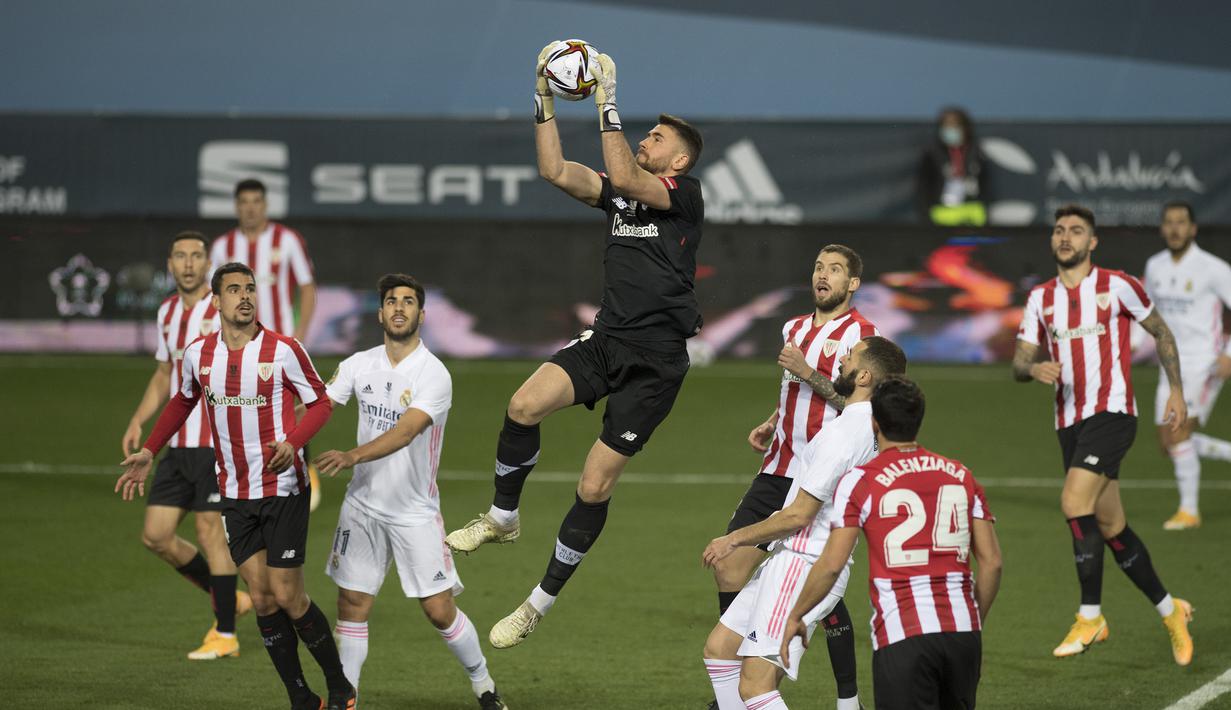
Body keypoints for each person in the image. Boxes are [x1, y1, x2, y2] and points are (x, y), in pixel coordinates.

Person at [444, 43, 705, 649]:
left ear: (681, 157)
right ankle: (503, 518)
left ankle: (537, 603)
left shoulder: (685, 195)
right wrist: (542, 99)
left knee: (593, 487)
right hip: (609, 337)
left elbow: (630, 177)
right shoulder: (623, 195)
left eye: (657, 136)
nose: (646, 138)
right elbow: (555, 170)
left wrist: (608, 101)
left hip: (657, 361)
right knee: (523, 405)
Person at [116, 263, 354, 710]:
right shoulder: (198, 354)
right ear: (216, 299)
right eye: (234, 290)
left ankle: (340, 684)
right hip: (235, 493)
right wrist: (150, 449)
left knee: (288, 595)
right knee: (263, 600)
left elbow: (320, 402)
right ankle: (301, 697)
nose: (244, 296)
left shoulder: (284, 350)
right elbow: (183, 399)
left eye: (249, 289)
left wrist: (294, 443)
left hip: (283, 489)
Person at [312, 274, 507, 710]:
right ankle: (348, 698)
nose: (399, 307)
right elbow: (322, 406)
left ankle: (483, 684)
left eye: (408, 301)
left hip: (414, 512)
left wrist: (351, 456)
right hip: (362, 507)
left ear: (422, 313)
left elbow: (404, 432)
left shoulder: (433, 374)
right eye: (391, 301)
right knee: (353, 602)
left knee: (439, 610)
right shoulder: (358, 364)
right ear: (380, 313)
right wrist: (288, 436)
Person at [1011, 204, 1194, 665]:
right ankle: (1172, 611)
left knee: (1074, 503)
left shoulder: (1118, 285)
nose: (1065, 237)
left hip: (1113, 413)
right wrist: (1034, 367)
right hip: (1068, 422)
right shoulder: (1041, 299)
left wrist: (1176, 392)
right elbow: (1018, 362)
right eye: (1058, 230)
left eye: (1076, 231)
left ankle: (1091, 616)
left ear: (1093, 242)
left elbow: (1162, 332)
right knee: (1111, 525)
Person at [708, 244, 877, 708]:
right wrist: (774, 419)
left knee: (819, 577)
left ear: (853, 284)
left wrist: (806, 372)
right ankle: (742, 667)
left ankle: (846, 697)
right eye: (819, 267)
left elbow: (859, 405)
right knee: (728, 566)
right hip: (780, 464)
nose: (823, 275)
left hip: (821, 473)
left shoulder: (861, 335)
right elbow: (792, 391)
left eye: (836, 270)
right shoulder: (794, 327)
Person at [701, 336, 907, 710]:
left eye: (851, 355)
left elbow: (799, 515)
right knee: (719, 650)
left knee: (756, 686)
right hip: (796, 559)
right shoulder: (869, 428)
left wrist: (734, 540)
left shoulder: (844, 435)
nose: (841, 358)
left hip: (802, 565)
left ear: (863, 376)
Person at [779, 377, 1002, 710]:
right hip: (963, 635)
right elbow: (992, 562)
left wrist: (796, 614)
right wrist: (972, 622)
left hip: (903, 633)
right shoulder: (960, 474)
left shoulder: (861, 480)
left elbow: (832, 564)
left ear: (874, 421)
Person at [120, 231, 251, 659]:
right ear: (170, 264)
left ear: (207, 263)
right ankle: (234, 598)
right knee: (156, 535)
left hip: (217, 443)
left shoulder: (224, 312)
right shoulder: (167, 312)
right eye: (181, 256)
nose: (189, 263)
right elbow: (164, 374)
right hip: (177, 444)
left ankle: (226, 633)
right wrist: (140, 419)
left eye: (197, 256)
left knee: (210, 529)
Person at [210, 178, 322, 511]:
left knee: (297, 406)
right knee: (242, 406)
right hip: (238, 346)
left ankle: (304, 468)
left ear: (265, 205)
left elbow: (308, 287)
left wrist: (299, 334)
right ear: (236, 206)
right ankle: (243, 473)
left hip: (280, 346)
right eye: (244, 201)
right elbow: (210, 297)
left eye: (256, 200)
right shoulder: (222, 247)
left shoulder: (286, 240)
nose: (250, 207)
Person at [1142, 201, 1231, 530]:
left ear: (1193, 229)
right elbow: (1148, 313)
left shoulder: (1213, 268)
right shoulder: (1155, 266)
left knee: (1178, 435)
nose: (1175, 228)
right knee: (1168, 443)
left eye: (1181, 222)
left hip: (1203, 363)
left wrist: (1229, 354)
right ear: (1163, 228)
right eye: (1169, 222)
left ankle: (1189, 511)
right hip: (1170, 365)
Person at [916, 107, 988, 227]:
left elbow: (986, 186)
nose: (950, 129)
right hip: (941, 216)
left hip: (972, 216)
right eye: (946, 125)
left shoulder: (977, 153)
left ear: (964, 127)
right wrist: (926, 216)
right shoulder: (932, 154)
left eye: (954, 125)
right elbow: (923, 188)